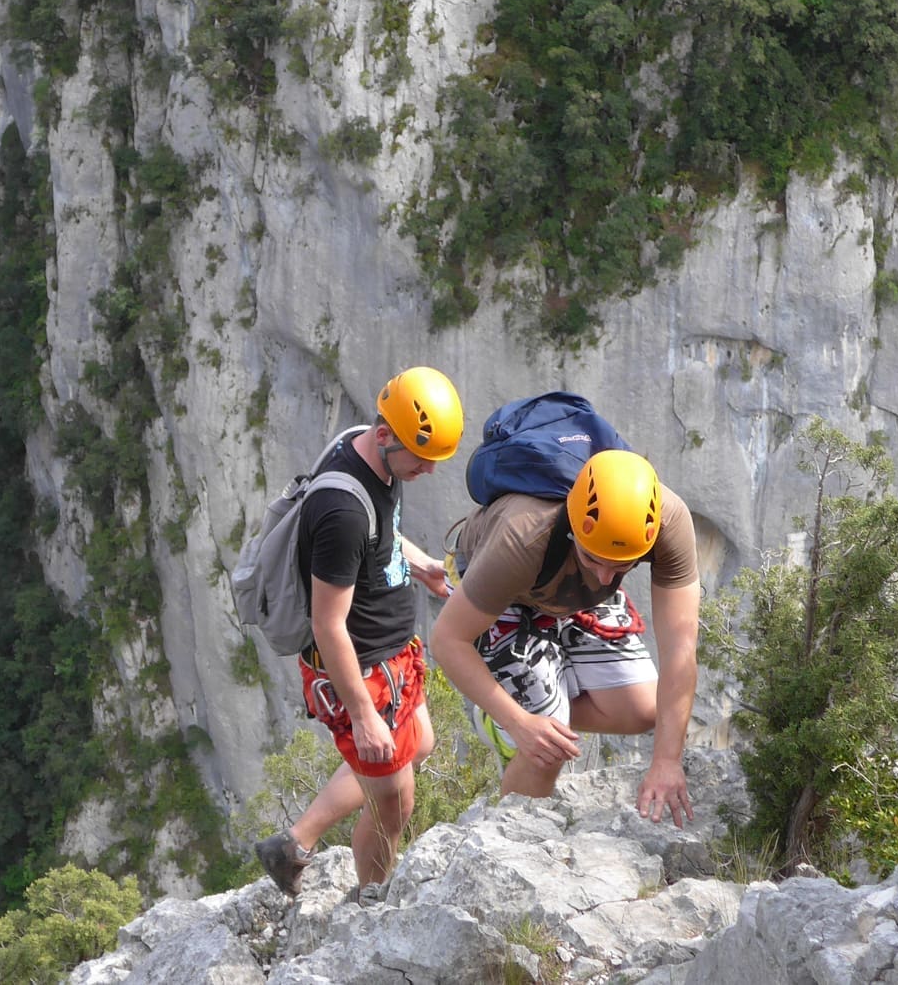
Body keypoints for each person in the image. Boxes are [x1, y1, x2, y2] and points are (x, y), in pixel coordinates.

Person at [254, 366, 462, 898]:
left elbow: (384, 535)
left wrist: (419, 566)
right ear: (387, 434)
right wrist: (365, 716)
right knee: (395, 804)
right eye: (422, 460)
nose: (428, 471)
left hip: (395, 654)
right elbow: (327, 624)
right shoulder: (343, 510)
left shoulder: (370, 454)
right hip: (364, 672)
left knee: (422, 743)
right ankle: (372, 901)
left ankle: (293, 842)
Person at [429, 448, 701, 827]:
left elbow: (681, 649)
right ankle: (512, 840)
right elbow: (446, 640)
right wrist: (519, 720)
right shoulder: (522, 536)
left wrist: (667, 761)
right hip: (507, 588)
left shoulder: (667, 525)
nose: (607, 577)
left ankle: (549, 698)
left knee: (644, 710)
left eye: (622, 566)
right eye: (595, 559)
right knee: (547, 749)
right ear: (575, 527)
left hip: (572, 593)